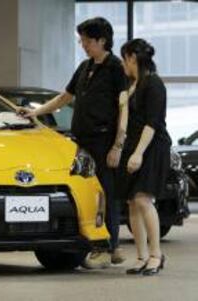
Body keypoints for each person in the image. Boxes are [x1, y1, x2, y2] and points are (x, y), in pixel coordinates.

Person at [18, 17, 127, 268]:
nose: (84, 45)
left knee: (106, 193)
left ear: (102, 40)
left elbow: (124, 109)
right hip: (81, 141)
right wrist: (36, 112)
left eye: (87, 41)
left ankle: (109, 245)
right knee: (83, 191)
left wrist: (117, 146)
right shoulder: (84, 67)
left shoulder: (115, 68)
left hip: (104, 141)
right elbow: (65, 97)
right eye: (82, 41)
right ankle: (93, 244)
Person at [119, 39, 170, 276]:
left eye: (124, 59)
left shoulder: (154, 84)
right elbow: (127, 122)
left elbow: (152, 123)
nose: (123, 64)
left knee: (143, 199)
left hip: (153, 148)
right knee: (131, 202)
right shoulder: (133, 85)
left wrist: (138, 153)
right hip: (133, 146)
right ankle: (140, 256)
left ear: (132, 58)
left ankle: (156, 255)